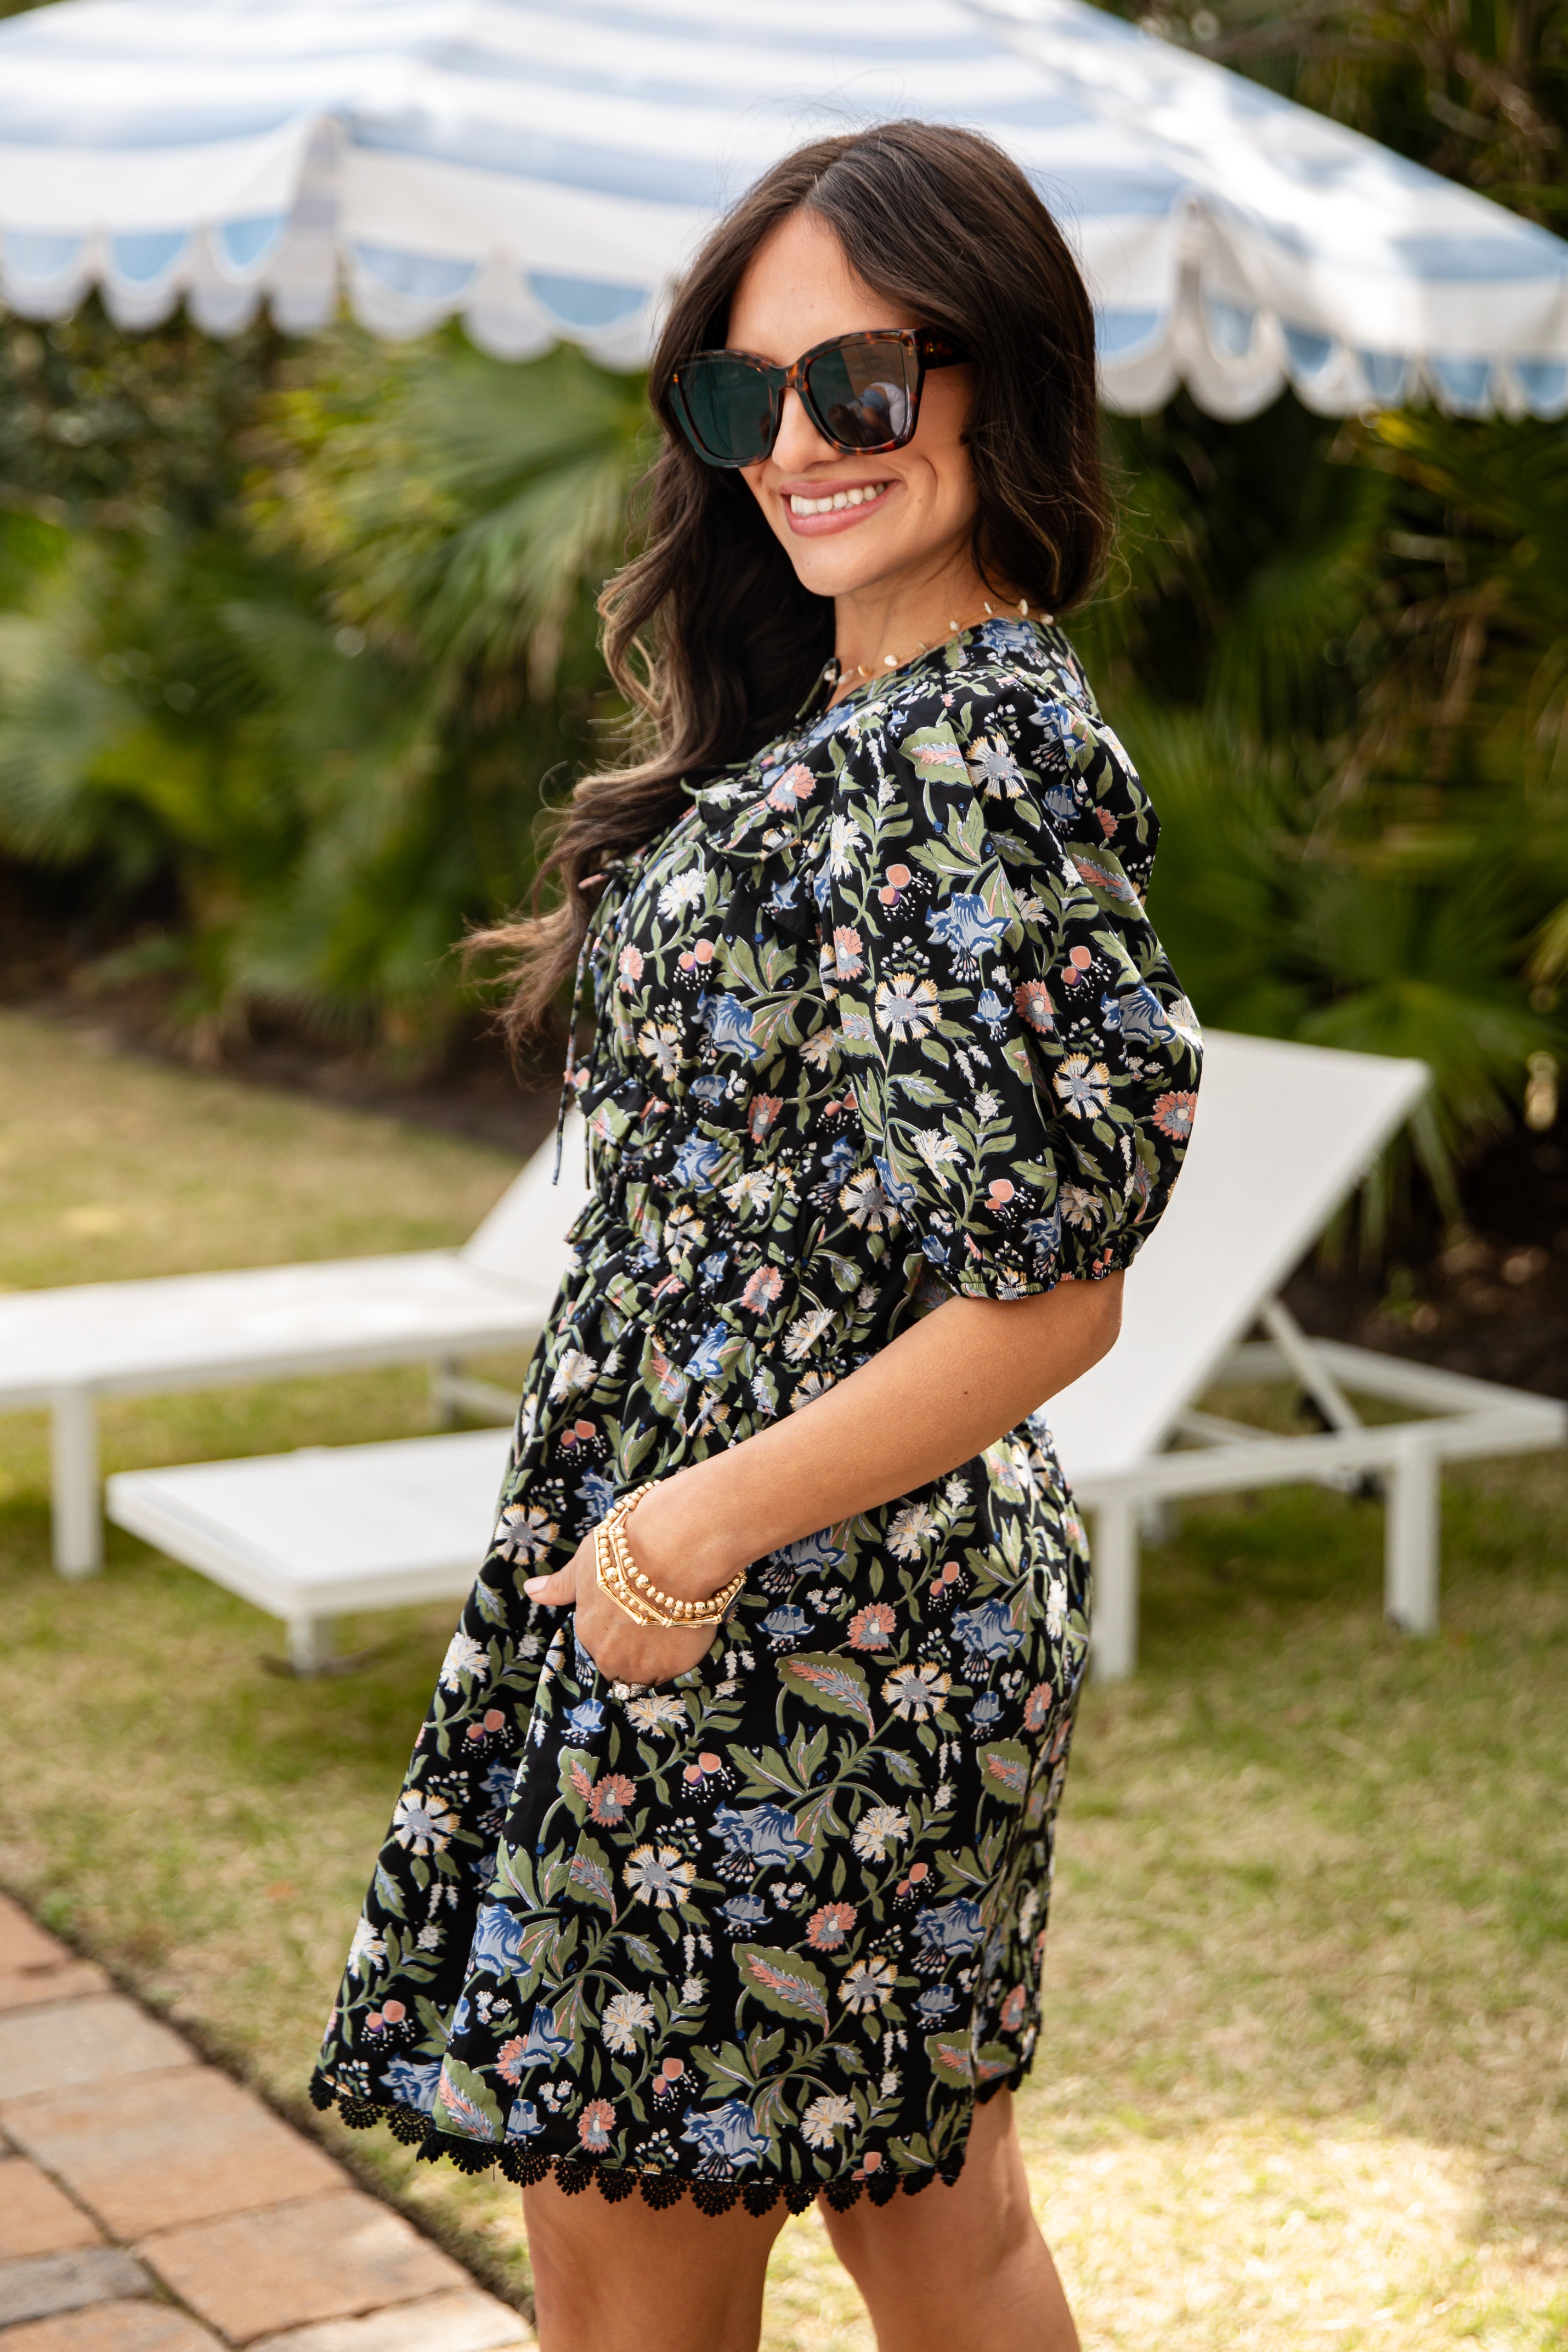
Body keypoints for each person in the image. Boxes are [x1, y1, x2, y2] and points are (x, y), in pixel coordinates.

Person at [313, 120, 1202, 2352]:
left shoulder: (966, 760)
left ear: (999, 384)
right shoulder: (867, 717)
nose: (796, 444)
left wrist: (686, 1528)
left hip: (790, 1608)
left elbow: (1053, 1289)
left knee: (630, 2257)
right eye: (743, 396)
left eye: (862, 387)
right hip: (810, 1582)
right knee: (933, 2206)